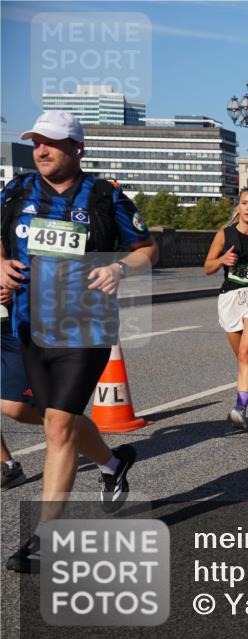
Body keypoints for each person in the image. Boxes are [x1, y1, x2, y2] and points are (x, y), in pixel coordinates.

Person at [1, 111, 158, 573]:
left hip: (84, 326)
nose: (41, 150)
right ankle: (112, 464)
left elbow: (147, 249)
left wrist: (117, 268)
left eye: (52, 142)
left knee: (58, 426)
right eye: (36, 142)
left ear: (77, 148)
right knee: (30, 412)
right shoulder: (17, 191)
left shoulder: (106, 196)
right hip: (29, 325)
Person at [203, 188, 248, 428]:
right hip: (230, 296)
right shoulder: (224, 235)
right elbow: (207, 267)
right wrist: (222, 260)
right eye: (244, 203)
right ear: (238, 208)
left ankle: (239, 408)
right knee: (241, 357)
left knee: (246, 353)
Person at [1, 292, 42, 490]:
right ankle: (8, 467)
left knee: (15, 408)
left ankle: (73, 427)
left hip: (13, 330)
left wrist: (19, 291)